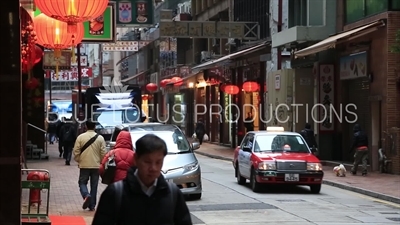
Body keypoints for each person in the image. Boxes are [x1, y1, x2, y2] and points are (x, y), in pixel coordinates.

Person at [92, 134, 192, 225]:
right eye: (147, 162)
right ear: (135, 159)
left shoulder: (172, 194)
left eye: (158, 162)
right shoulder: (115, 193)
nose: (153, 168)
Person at [73, 119, 107, 211]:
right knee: (94, 185)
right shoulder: (100, 138)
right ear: (95, 127)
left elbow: (76, 151)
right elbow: (103, 152)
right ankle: (92, 205)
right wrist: (100, 162)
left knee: (82, 182)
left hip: (84, 164)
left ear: (86, 126)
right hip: (96, 165)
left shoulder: (80, 137)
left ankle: (86, 194)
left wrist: (79, 160)